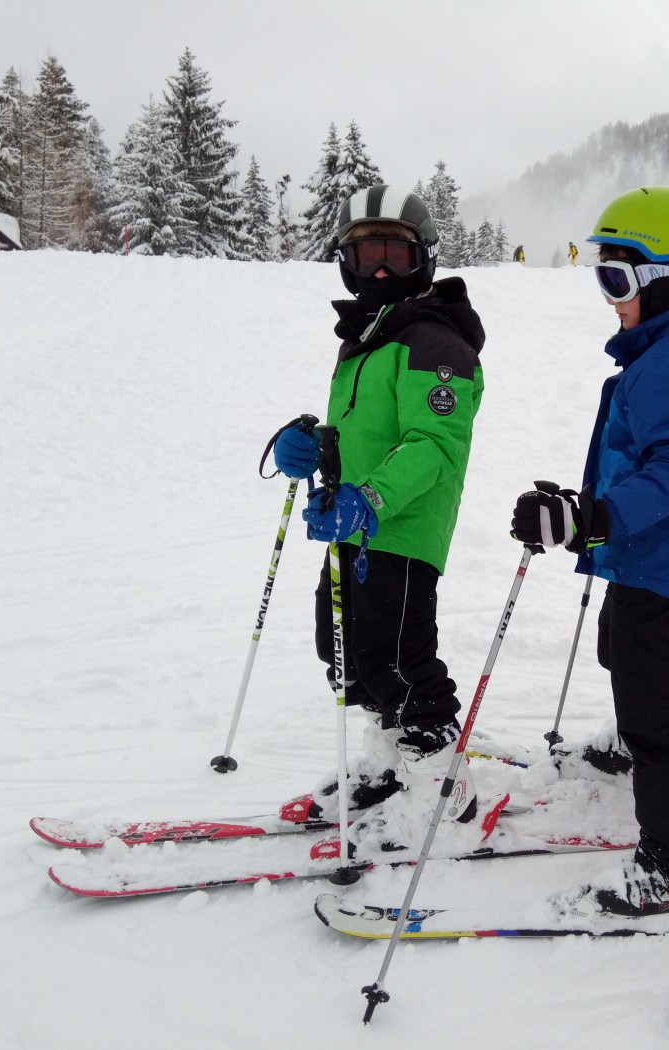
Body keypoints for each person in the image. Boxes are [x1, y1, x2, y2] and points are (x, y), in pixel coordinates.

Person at [509, 186, 669, 916]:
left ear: (665, 280)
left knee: (656, 707)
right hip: (645, 551)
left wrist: (596, 516)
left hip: (659, 554)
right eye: (600, 275)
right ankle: (628, 742)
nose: (607, 297)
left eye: (616, 278)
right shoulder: (665, 351)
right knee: (621, 648)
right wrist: (594, 513)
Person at [269, 185, 486, 839]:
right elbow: (367, 431)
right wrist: (316, 446)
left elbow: (435, 445)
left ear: (424, 258)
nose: (382, 270)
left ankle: (445, 791)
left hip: (402, 528)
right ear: (346, 263)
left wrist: (371, 497)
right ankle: (391, 763)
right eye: (367, 256)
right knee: (345, 652)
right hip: (355, 526)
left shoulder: (433, 341)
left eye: (396, 253)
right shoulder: (368, 338)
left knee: (397, 662)